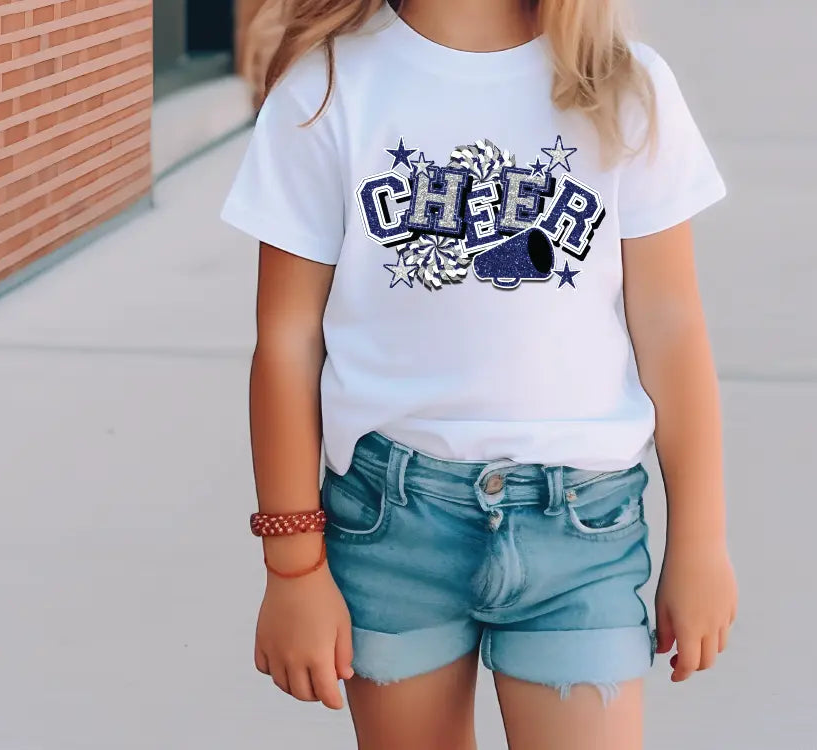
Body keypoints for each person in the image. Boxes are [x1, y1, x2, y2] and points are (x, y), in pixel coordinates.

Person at [221, 1, 738, 747]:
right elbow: (286, 340)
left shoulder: (624, 87)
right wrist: (293, 568)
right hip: (391, 523)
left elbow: (672, 328)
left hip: (580, 529)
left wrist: (701, 542)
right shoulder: (328, 85)